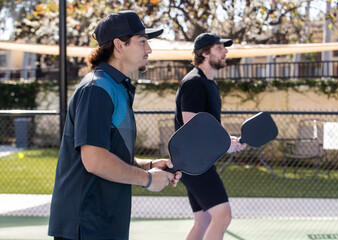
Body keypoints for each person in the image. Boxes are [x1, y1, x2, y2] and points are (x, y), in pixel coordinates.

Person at [48, 10, 182, 240]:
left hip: (104, 223)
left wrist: (149, 165)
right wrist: (148, 179)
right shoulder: (96, 89)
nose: (149, 49)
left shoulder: (116, 87)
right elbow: (95, 160)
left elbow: (112, 155)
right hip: (86, 225)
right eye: (142, 42)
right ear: (119, 45)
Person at [174, 33, 246, 240]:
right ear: (204, 53)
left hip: (199, 162)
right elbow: (193, 127)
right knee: (222, 216)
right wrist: (224, 146)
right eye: (219, 48)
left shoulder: (209, 84)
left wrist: (227, 140)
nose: (225, 51)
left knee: (204, 220)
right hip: (194, 164)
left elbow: (210, 125)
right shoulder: (194, 82)